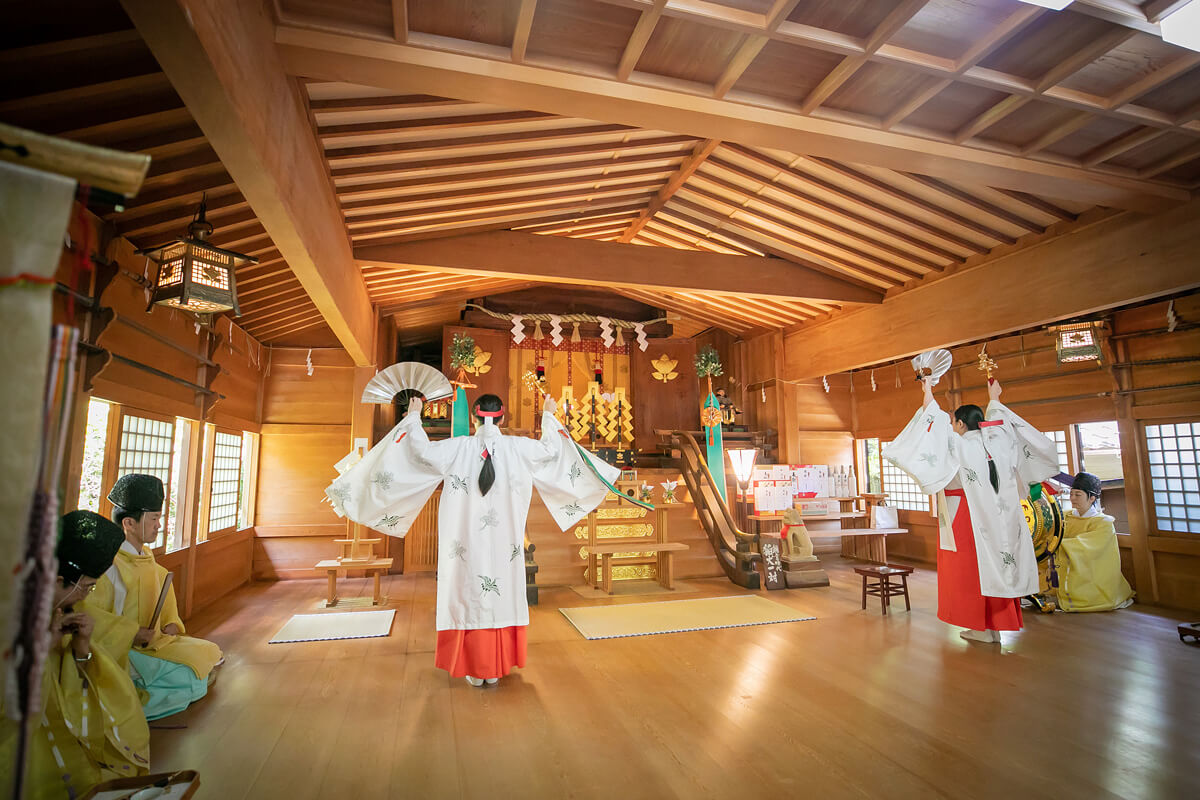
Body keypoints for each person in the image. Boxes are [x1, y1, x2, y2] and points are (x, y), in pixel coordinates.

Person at [327, 392, 619, 686]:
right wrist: (548, 414)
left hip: (462, 543)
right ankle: (495, 667)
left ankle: (471, 667)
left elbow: (419, 452)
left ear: (474, 417)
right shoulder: (519, 448)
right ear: (502, 418)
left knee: (464, 591)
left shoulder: (457, 448)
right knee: (502, 592)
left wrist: (414, 416)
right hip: (505, 543)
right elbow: (552, 449)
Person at [883, 377, 1059, 644]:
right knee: (995, 565)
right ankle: (995, 627)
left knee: (969, 571)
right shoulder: (996, 442)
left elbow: (935, 424)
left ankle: (979, 627)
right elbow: (1001, 423)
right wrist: (995, 397)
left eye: (955, 423)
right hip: (998, 519)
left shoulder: (959, 445)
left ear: (961, 424)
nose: (952, 426)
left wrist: (928, 391)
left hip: (964, 515)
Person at [1, 511, 151, 799]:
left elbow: (80, 679)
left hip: (61, 721)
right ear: (58, 581)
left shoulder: (64, 609)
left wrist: (82, 651)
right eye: (87, 587)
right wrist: (44, 648)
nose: (87, 595)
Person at [86, 474, 223, 720]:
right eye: (154, 519)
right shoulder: (107, 564)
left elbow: (163, 601)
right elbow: (89, 615)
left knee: (210, 652)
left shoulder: (145, 555)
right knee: (192, 678)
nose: (159, 525)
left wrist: (171, 624)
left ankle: (147, 685)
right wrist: (130, 632)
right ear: (129, 523)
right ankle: (122, 702)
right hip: (122, 650)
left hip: (153, 642)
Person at [1044, 472, 1134, 612]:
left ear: (1092, 498)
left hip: (1092, 574)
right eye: (1072, 494)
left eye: (1078, 495)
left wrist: (1057, 543)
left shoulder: (1103, 523)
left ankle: (1076, 597)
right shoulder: (1066, 515)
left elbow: (1085, 546)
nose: (1072, 498)